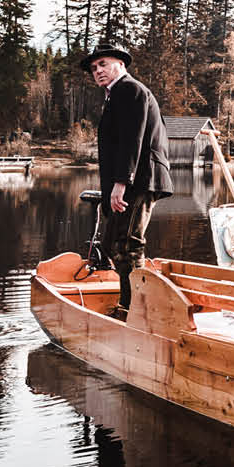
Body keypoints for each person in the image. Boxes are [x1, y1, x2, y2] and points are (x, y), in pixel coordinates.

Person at [91, 42, 171, 315]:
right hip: (131, 179)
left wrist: (121, 183)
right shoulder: (116, 95)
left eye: (103, 64)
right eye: (94, 68)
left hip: (140, 179)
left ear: (121, 65)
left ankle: (136, 310)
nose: (98, 71)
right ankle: (130, 304)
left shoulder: (129, 89)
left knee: (128, 244)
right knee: (113, 244)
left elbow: (132, 139)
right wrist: (108, 193)